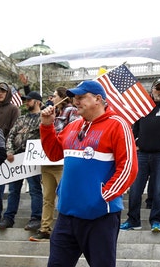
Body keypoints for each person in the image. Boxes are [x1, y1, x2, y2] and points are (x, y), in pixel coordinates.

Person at [39, 80, 138, 267]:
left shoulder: (118, 125)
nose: (76, 101)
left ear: (98, 99)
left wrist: (102, 196)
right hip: (67, 215)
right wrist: (46, 126)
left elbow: (129, 168)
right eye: (74, 98)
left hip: (100, 216)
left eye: (81, 97)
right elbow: (53, 154)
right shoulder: (73, 126)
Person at [121, 78, 160, 233]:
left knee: (159, 189)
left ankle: (156, 221)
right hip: (142, 153)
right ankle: (133, 219)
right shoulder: (143, 108)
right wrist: (133, 143)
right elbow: (135, 127)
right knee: (135, 188)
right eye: (158, 88)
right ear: (152, 90)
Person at [29, 87, 79, 242]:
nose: (52, 97)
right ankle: (45, 228)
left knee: (65, 194)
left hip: (62, 161)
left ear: (63, 97)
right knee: (47, 197)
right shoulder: (51, 111)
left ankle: (69, 227)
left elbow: (72, 134)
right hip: (46, 160)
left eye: (55, 95)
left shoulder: (71, 111)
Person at [0, 91, 44, 230]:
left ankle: (36, 218)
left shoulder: (43, 118)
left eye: (29, 100)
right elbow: (10, 136)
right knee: (13, 190)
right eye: (25, 100)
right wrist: (9, 151)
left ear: (37, 102)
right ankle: (8, 218)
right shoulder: (21, 119)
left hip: (32, 159)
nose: (26, 102)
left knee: (35, 189)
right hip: (16, 159)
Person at [0, 82, 21, 225]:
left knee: (3, 187)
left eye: (3, 91)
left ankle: (2, 217)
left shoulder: (14, 109)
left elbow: (15, 131)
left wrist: (8, 149)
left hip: (5, 152)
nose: (0, 94)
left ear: (7, 93)